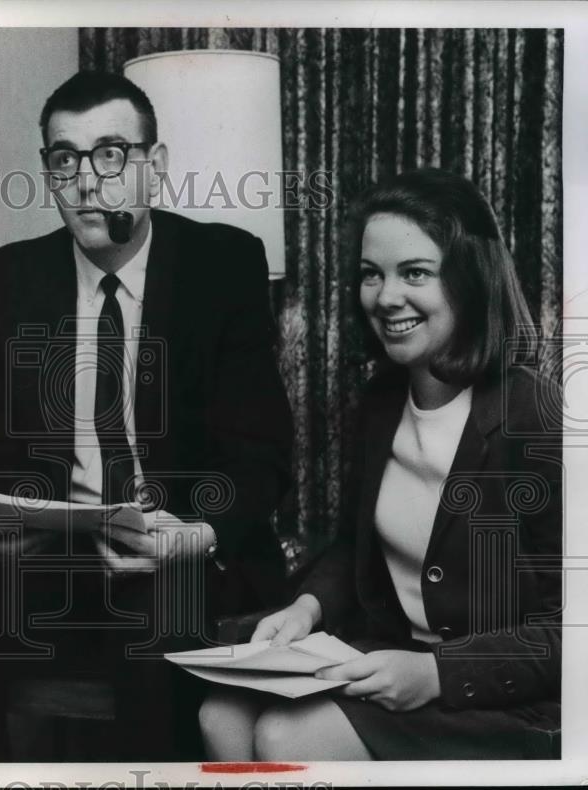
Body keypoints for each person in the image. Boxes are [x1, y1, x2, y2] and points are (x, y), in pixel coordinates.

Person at [0, 70, 293, 761]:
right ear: (50, 175)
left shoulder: (221, 264)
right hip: (51, 559)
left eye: (111, 154)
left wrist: (192, 536)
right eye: (65, 159)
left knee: (163, 623)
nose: (89, 181)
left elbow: (261, 460)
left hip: (175, 558)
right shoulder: (13, 278)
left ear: (154, 166)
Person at [198, 169, 561, 761]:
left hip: (506, 697)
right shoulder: (382, 400)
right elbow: (353, 546)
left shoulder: (535, 415)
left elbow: (568, 630)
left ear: (470, 278)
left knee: (287, 737)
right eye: (372, 274)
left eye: (414, 272)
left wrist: (437, 673)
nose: (386, 297)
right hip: (387, 656)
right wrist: (306, 608)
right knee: (222, 714)